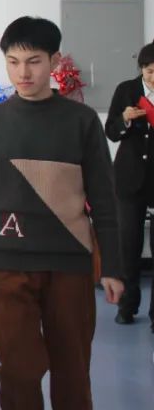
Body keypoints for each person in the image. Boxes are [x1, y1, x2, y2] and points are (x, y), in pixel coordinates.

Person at [0, 16, 123, 410]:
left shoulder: (82, 121)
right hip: (5, 264)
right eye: (13, 62)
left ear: (54, 61)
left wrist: (113, 267)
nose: (23, 73)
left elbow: (105, 200)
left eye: (34, 61)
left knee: (73, 369)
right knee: (18, 369)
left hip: (69, 263)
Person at [104, 41, 154, 329]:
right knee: (128, 245)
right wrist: (124, 119)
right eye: (150, 71)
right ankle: (127, 306)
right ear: (141, 69)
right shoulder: (126, 90)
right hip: (129, 178)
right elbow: (111, 131)